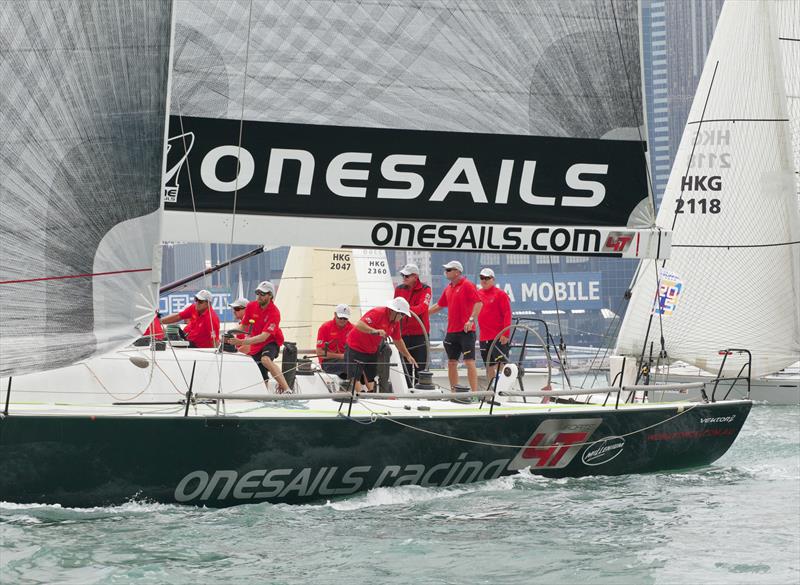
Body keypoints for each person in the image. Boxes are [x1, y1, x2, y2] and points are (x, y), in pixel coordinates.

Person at [429, 260, 482, 393]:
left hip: (466, 332)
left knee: (469, 362)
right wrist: (422, 314)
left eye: (449, 270)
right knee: (452, 363)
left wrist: (471, 320)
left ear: (457, 272)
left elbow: (478, 303)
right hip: (451, 332)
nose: (445, 272)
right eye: (445, 270)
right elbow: (439, 305)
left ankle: (474, 393)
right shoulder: (448, 288)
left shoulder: (468, 285)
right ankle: (454, 393)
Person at [344, 297, 418, 392]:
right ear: (394, 311)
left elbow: (398, 340)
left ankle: (371, 395)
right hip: (355, 347)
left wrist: (407, 355)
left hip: (371, 350)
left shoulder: (395, 323)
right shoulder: (378, 313)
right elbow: (359, 325)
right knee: (355, 376)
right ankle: (360, 396)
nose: (403, 317)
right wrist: (374, 331)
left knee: (370, 376)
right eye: (402, 314)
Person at [229, 281, 291, 393]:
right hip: (256, 343)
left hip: (271, 341)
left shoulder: (274, 313)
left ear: (270, 295)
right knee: (260, 371)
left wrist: (241, 342)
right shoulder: (251, 306)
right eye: (257, 293)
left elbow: (264, 337)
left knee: (265, 359)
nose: (259, 296)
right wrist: (230, 334)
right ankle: (264, 396)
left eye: (262, 293)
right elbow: (243, 326)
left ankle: (287, 389)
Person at [393, 263, 431, 387]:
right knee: (405, 369)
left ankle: (421, 392)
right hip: (403, 334)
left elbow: (422, 307)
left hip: (420, 335)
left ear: (415, 276)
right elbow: (394, 308)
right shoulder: (399, 289)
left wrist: (405, 311)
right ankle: (408, 392)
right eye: (403, 275)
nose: (404, 278)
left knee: (421, 367)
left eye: (407, 276)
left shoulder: (426, 289)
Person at [476, 268, 512, 382]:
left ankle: (505, 390)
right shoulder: (477, 294)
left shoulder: (501, 294)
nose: (484, 280)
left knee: (501, 365)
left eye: (487, 278)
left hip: (498, 337)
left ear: (493, 279)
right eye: (482, 278)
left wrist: (505, 334)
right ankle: (492, 391)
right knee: (489, 366)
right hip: (483, 337)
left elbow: (507, 314)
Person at [316, 304, 354, 377]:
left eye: (345, 318)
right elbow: (319, 352)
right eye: (340, 317)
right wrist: (341, 356)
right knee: (350, 367)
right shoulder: (325, 327)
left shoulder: (353, 329)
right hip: (328, 362)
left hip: (346, 361)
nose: (342, 320)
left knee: (363, 366)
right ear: (335, 314)